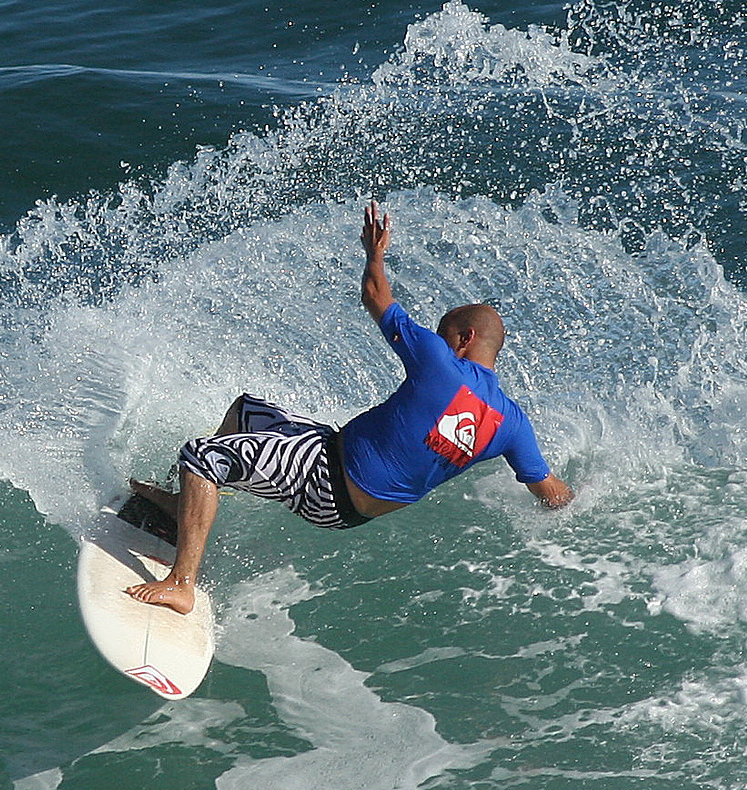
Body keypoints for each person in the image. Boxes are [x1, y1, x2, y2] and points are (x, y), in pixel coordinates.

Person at [125, 201, 574, 614]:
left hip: (325, 480)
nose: (438, 338)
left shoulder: (440, 360)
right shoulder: (513, 423)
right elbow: (551, 493)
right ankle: (184, 507)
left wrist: (374, 252)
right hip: (343, 490)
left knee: (201, 456)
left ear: (464, 339)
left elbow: (376, 295)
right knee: (246, 410)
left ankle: (181, 583)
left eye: (444, 332)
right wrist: (589, 499)